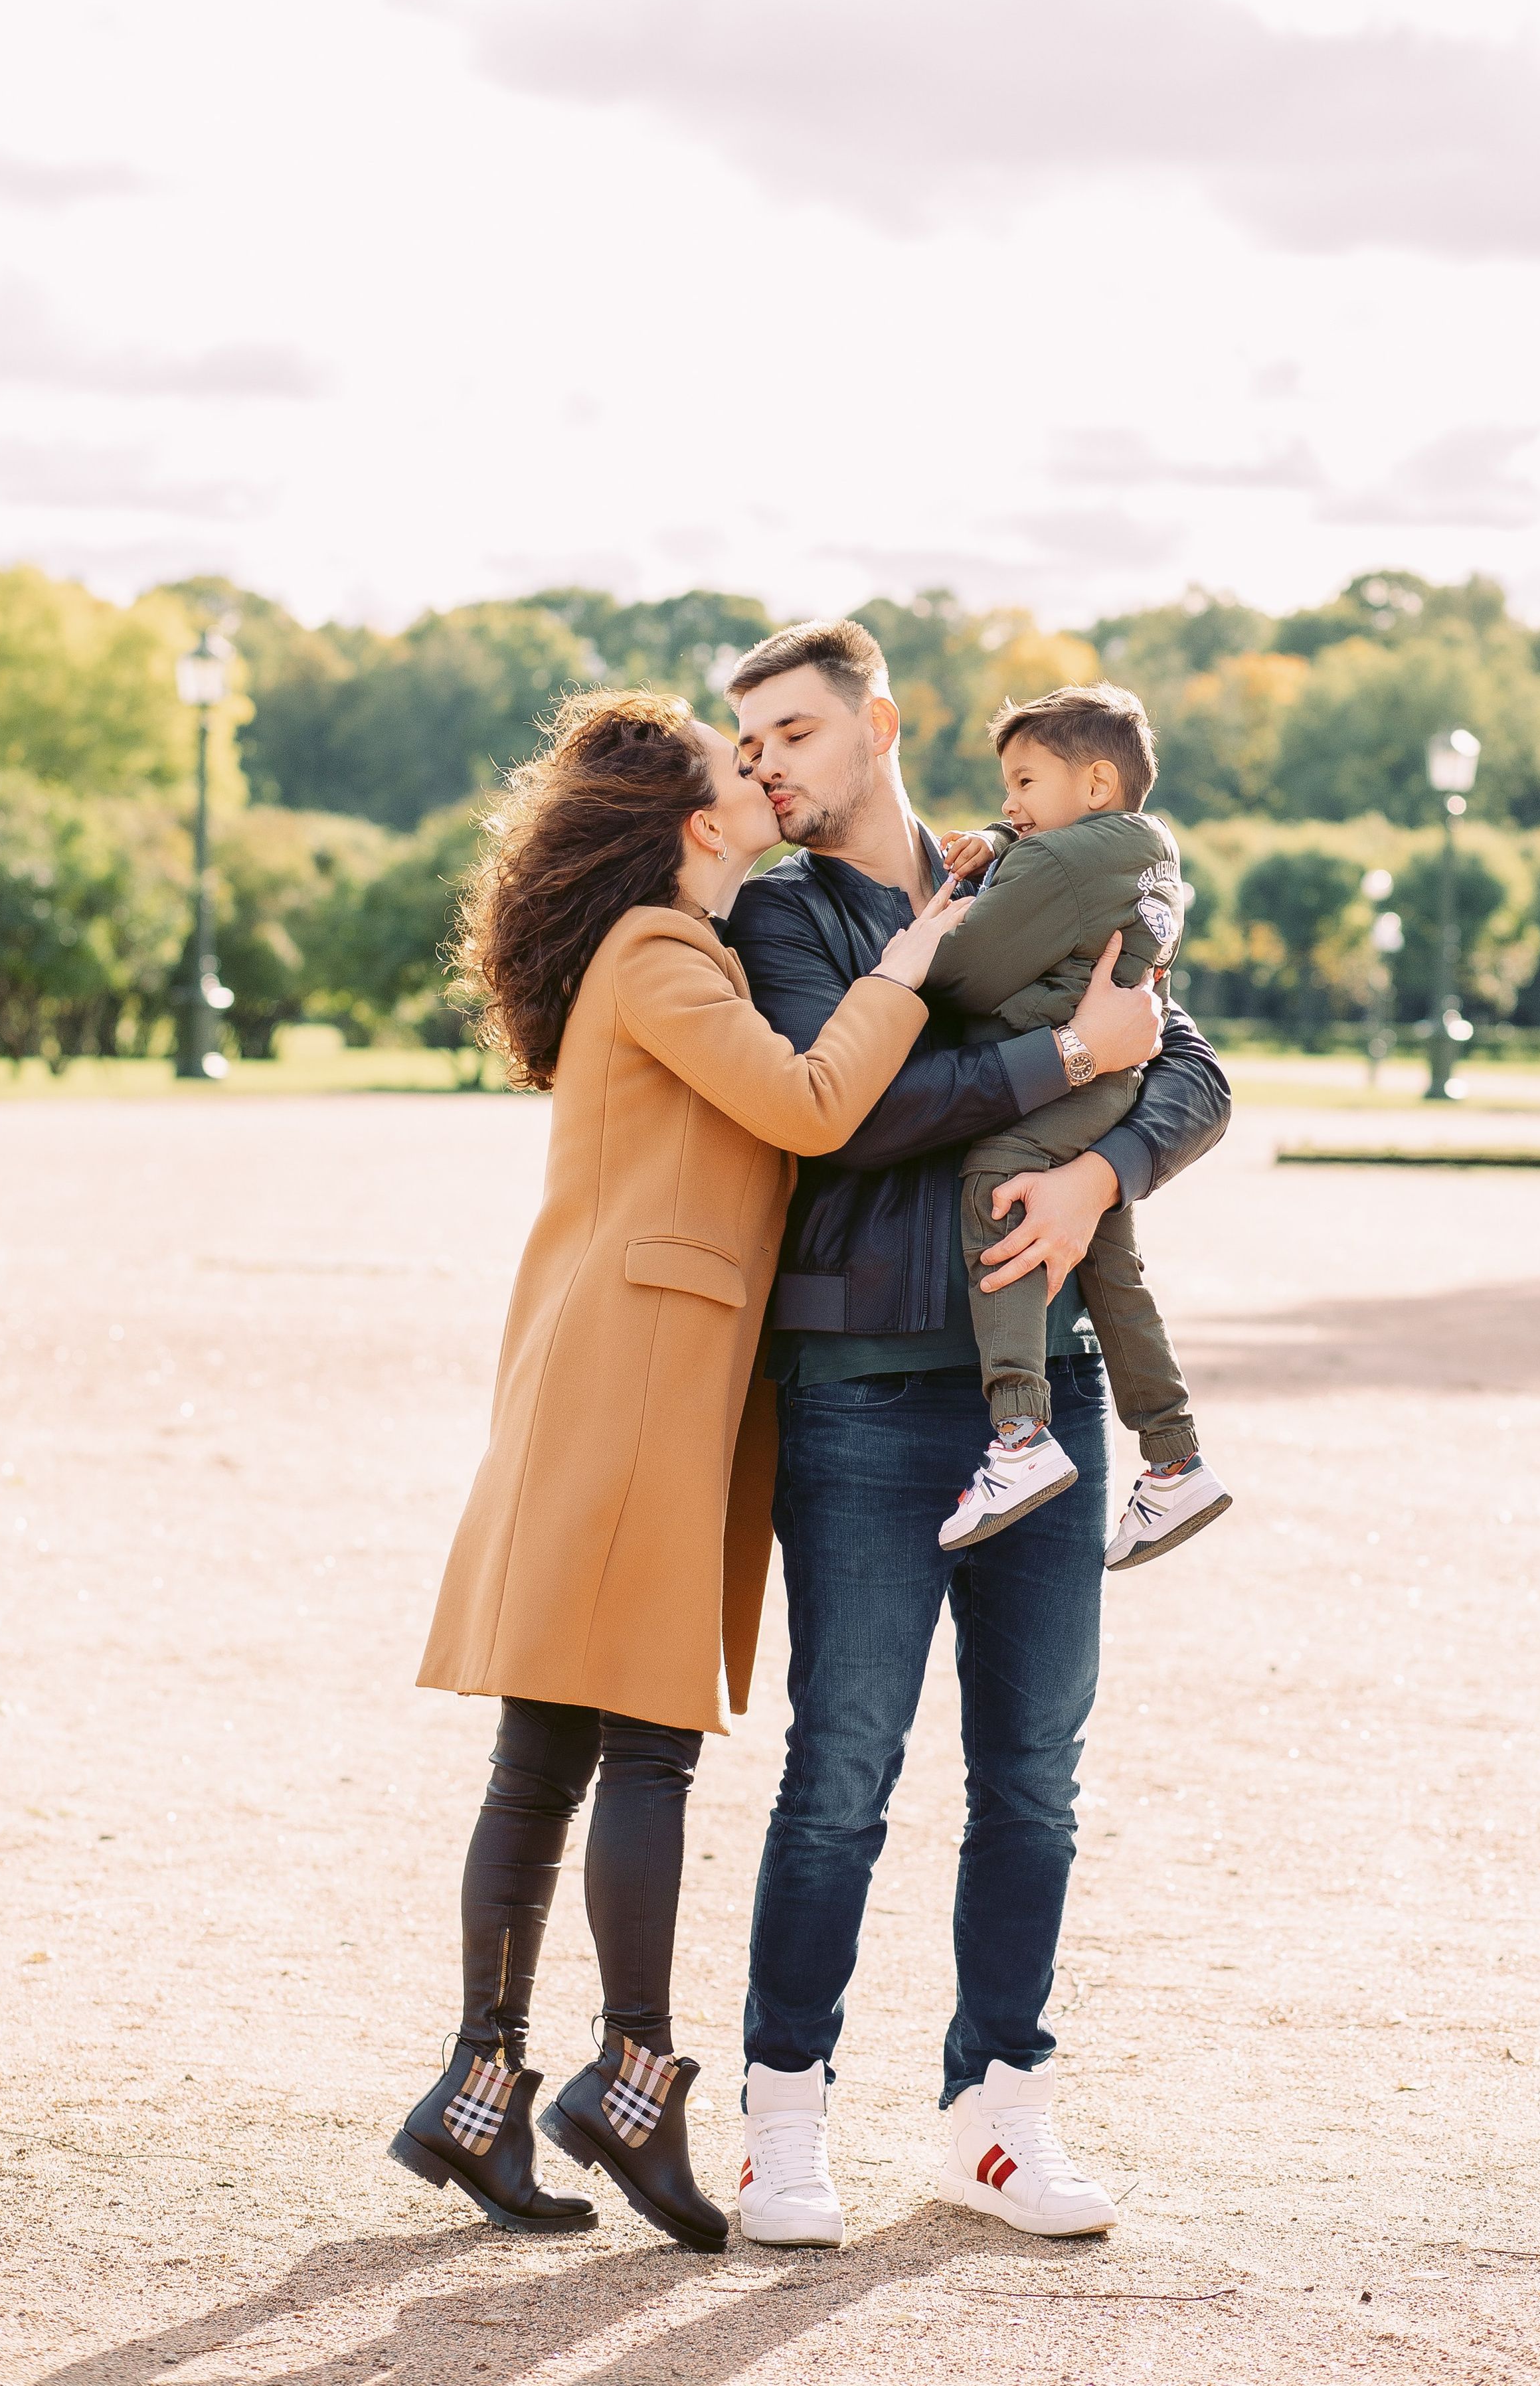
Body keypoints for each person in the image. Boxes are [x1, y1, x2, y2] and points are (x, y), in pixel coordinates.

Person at [390, 685, 972, 2254]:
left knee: (550, 1757)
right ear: (695, 823)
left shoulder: (668, 955)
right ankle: (626, 2085)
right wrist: (912, 961)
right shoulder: (660, 953)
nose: (764, 774)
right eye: (741, 763)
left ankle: (481, 2092)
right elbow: (807, 1101)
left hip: (617, 1378)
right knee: (637, 1753)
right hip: (636, 1385)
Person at [723, 619, 1231, 2248]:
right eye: (751, 750)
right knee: (843, 1771)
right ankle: (779, 2120)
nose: (771, 770)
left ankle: (994, 2117)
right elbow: (846, 1112)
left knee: (1031, 1781)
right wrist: (1066, 1056)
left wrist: (1101, 1167)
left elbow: (1194, 1067)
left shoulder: (1038, 864)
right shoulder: (780, 918)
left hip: (1049, 1386)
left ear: (879, 726)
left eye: (794, 733)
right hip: (865, 1385)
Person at [923, 680, 1233, 1563]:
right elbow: (1045, 879)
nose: (1010, 802)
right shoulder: (1149, 851)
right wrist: (996, 838)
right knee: (1110, 1264)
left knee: (998, 1184)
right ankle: (1175, 1460)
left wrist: (926, 940)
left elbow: (965, 975)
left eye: (1024, 783)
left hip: (1066, 1080)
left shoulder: (1053, 863)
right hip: (1122, 1084)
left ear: (1095, 784)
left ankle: (1018, 1436)